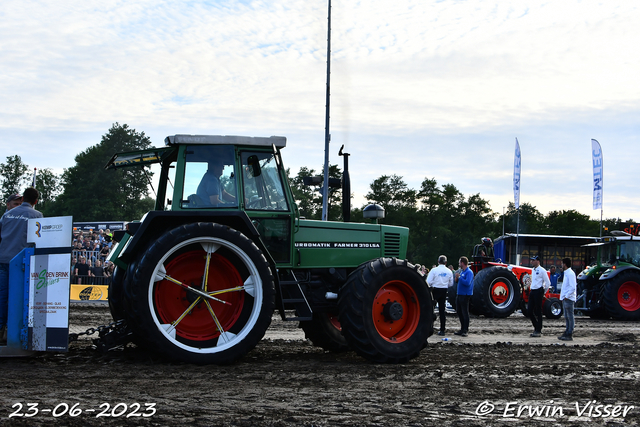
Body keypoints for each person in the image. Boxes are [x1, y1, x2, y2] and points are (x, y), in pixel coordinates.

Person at [0, 188, 43, 343]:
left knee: (2, 296)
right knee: (20, 297)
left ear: (23, 198)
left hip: (3, 260)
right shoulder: (37, 215)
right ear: (36, 201)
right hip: (21, 263)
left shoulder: (6, 214)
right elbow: (39, 240)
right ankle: (16, 331)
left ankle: (1, 329)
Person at [427, 255, 454, 336]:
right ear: (446, 262)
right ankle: (442, 329)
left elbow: (428, 281)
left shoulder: (434, 270)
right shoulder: (449, 271)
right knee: (442, 311)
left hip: (435, 290)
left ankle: (429, 328)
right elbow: (451, 283)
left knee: (430, 310)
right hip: (444, 290)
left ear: (438, 261)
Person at [528, 255, 550, 337]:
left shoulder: (542, 270)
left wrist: (543, 292)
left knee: (538, 311)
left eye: (533, 260)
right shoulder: (533, 270)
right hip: (533, 291)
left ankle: (538, 329)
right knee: (529, 310)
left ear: (538, 261)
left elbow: (547, 283)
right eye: (531, 260)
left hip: (538, 291)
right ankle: (536, 326)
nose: (532, 262)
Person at [454, 256, 474, 337]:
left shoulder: (469, 272)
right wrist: (457, 278)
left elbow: (467, 283)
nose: (459, 264)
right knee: (459, 311)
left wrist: (459, 277)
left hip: (465, 295)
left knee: (465, 312)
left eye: (459, 262)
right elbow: (459, 281)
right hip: (460, 294)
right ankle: (462, 328)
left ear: (462, 263)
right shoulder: (462, 271)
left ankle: (465, 329)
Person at [558, 257, 577, 341]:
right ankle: (567, 331)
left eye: (562, 263)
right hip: (566, 298)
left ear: (564, 264)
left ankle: (569, 333)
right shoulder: (567, 273)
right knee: (567, 316)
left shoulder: (570, 273)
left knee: (569, 316)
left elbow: (573, 287)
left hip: (568, 298)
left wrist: (566, 296)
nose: (561, 265)